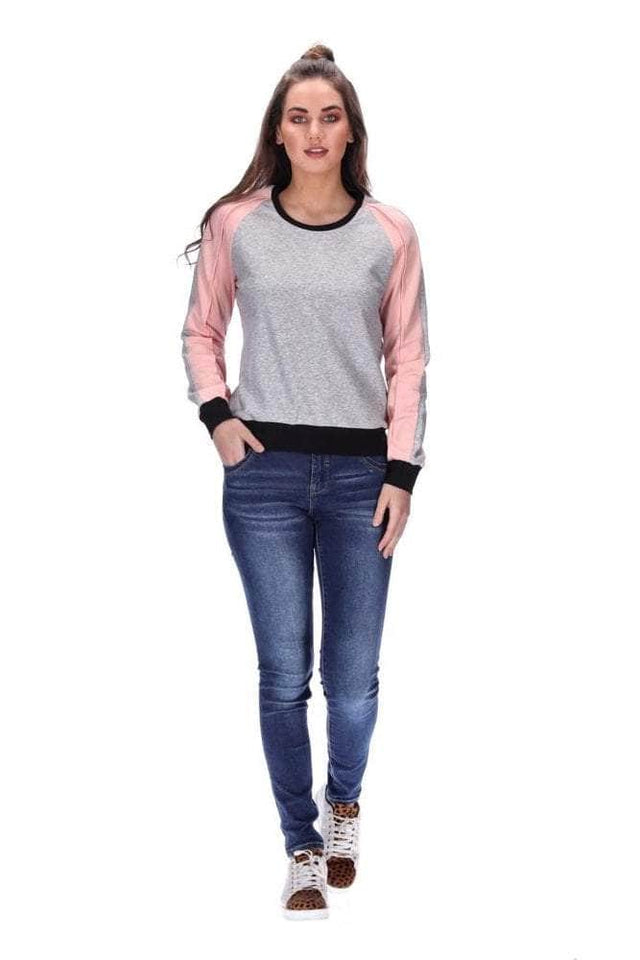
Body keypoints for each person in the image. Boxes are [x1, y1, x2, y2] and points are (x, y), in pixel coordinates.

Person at [180, 42, 430, 920]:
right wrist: (219, 417)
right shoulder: (236, 224)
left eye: (330, 116)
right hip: (264, 482)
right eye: (299, 117)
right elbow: (201, 330)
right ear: (278, 132)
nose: (315, 131)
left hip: (364, 479)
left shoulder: (390, 232)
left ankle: (344, 802)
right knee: (283, 675)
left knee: (352, 680)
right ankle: (301, 844)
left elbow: (409, 358)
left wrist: (403, 470)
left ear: (350, 130)